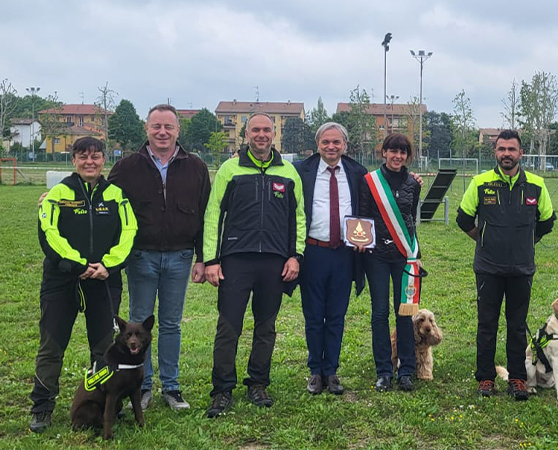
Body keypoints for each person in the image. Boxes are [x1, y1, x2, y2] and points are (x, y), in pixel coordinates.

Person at [107, 104, 210, 412]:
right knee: (138, 326)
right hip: (141, 257)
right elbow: (102, 196)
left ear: (178, 130)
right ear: (147, 129)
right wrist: (59, 193)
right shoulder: (127, 167)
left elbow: (207, 216)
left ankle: (172, 387)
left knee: (171, 323)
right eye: (156, 127)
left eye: (168, 127)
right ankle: (143, 386)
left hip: (180, 256)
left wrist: (203, 258)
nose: (162, 132)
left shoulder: (196, 167)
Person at [30, 137, 137, 432]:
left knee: (104, 348)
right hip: (62, 279)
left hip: (104, 280)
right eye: (83, 156)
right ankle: (42, 406)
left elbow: (129, 232)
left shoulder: (116, 195)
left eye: (96, 156)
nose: (90, 161)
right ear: (74, 160)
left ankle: (105, 405)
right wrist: (77, 264)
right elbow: (48, 232)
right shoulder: (58, 193)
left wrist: (109, 265)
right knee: (52, 346)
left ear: (104, 160)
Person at [202, 113, 305, 417]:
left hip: (275, 263)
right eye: (255, 130)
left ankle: (258, 383)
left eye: (266, 130)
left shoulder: (289, 172)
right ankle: (222, 390)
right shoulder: (228, 170)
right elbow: (212, 215)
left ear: (274, 134)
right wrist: (211, 259)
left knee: (266, 327)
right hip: (236, 261)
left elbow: (298, 218)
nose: (261, 135)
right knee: (228, 328)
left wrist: (295, 256)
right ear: (245, 134)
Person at [456, 129, 556, 401]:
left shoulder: (536, 184)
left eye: (512, 149)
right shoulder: (480, 182)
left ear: (521, 153)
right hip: (488, 267)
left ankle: (517, 379)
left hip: (521, 269)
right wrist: (484, 240)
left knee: (516, 325)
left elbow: (547, 221)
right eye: (502, 149)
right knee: (486, 325)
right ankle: (486, 378)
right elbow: (464, 220)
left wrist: (526, 241)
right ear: (495, 153)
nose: (507, 154)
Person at [294, 122, 368, 395]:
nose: (331, 147)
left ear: (345, 146)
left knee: (336, 316)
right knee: (314, 316)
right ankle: (315, 371)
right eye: (326, 142)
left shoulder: (357, 172)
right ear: (318, 145)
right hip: (313, 252)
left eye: (336, 142)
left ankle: (332, 370)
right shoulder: (302, 171)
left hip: (344, 254)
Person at [356, 133, 422, 392]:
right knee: (380, 313)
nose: (398, 156)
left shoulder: (413, 183)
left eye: (403, 152)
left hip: (405, 256)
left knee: (405, 313)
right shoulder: (369, 181)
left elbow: (409, 219)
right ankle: (384, 371)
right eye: (393, 151)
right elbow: (362, 215)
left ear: (408, 156)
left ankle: (406, 370)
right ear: (383, 152)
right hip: (377, 257)